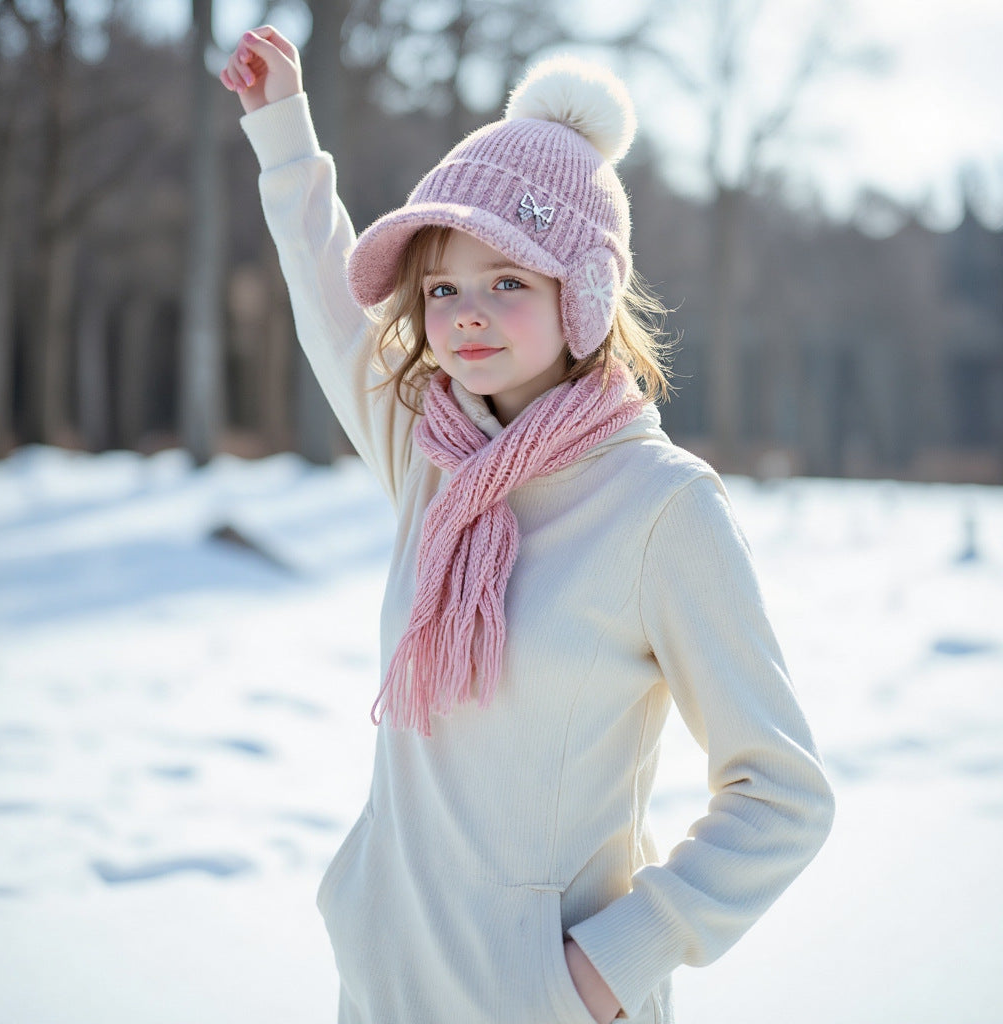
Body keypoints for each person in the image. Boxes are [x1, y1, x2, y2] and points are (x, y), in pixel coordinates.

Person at [221, 25, 834, 1024]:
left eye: (507, 280)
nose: (467, 313)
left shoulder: (662, 507)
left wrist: (600, 969)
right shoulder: (434, 460)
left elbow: (781, 795)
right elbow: (329, 298)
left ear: (582, 293)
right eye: (442, 287)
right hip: (384, 989)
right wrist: (282, 130)